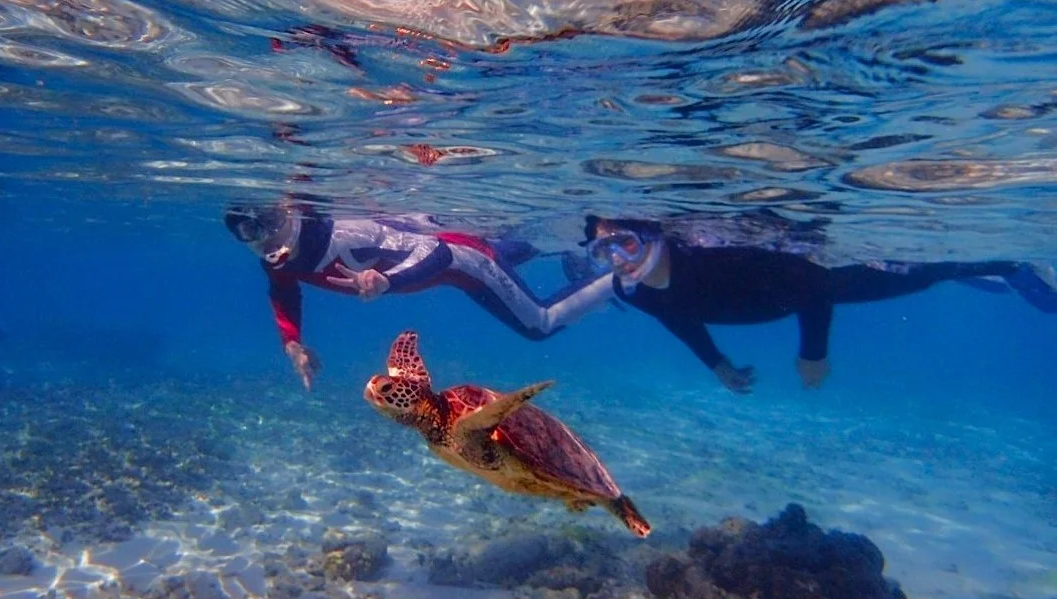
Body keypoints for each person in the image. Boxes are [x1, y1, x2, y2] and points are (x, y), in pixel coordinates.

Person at [582, 214, 1057, 394]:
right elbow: (679, 320)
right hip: (788, 295)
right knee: (924, 276)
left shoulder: (715, 258)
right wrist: (717, 364)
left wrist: (813, 354)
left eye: (624, 243)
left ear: (654, 235)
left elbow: (813, 283)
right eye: (603, 252)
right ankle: (977, 274)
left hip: (834, 277)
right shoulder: (637, 293)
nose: (617, 260)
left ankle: (1013, 266)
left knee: (924, 273)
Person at [225, 202, 614, 389]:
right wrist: (293, 344)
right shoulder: (277, 261)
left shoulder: (346, 235)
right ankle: (578, 240)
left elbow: (437, 252)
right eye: (247, 230)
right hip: (461, 256)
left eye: (271, 221)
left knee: (540, 325)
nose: (265, 236)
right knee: (522, 247)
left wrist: (387, 281)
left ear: (290, 213)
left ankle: (628, 272)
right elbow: (283, 290)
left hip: (465, 261)